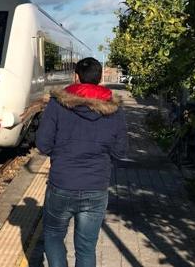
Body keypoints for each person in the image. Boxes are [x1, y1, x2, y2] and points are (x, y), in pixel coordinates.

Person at [36, 57, 127, 267]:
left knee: (53, 236)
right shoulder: (114, 110)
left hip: (62, 184)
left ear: (76, 77)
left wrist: (61, 152)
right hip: (96, 187)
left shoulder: (58, 104)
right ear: (101, 78)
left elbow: (43, 144)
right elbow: (121, 150)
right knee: (86, 247)